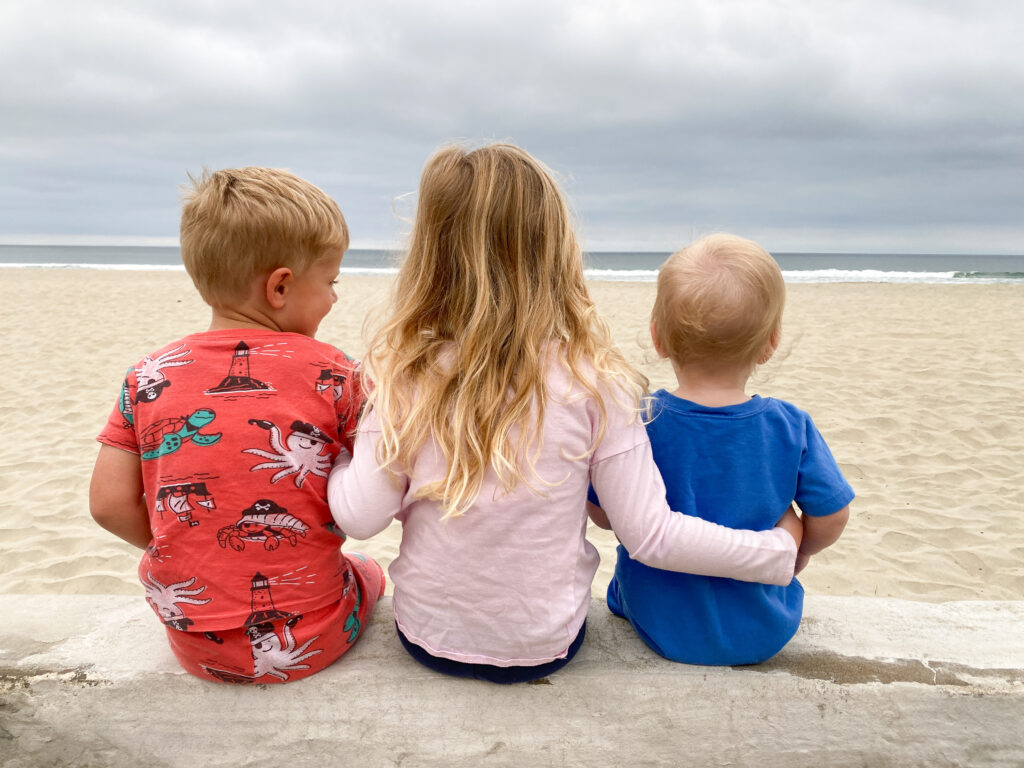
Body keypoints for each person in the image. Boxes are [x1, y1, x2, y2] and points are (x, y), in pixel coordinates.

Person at [327, 144, 801, 684]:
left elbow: (360, 518)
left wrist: (339, 455)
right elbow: (651, 536)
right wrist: (776, 551)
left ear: (429, 255)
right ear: (556, 252)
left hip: (429, 637)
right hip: (546, 642)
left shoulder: (402, 373)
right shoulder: (594, 382)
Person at [89, 167, 384, 684]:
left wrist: (179, 547)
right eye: (331, 282)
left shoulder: (147, 376)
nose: (335, 298)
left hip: (193, 644)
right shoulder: (339, 373)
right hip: (315, 635)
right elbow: (373, 481)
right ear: (280, 286)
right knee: (368, 569)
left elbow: (108, 505)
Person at [595, 233, 853, 666]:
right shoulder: (789, 426)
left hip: (659, 621)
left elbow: (606, 516)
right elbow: (832, 515)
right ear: (771, 343)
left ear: (658, 338)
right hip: (765, 627)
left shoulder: (640, 421)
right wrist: (798, 550)